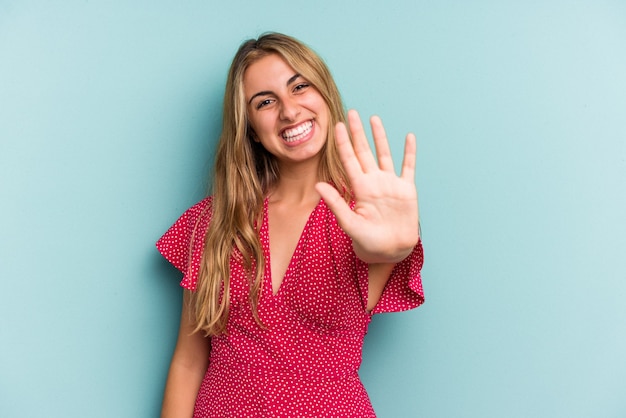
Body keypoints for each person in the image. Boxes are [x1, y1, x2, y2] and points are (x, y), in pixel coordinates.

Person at [156, 32, 424, 418]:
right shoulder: (212, 221)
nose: (289, 110)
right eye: (265, 102)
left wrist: (398, 245)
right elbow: (188, 362)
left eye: (300, 86)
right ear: (249, 126)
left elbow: (384, 248)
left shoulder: (367, 218)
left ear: (325, 94)